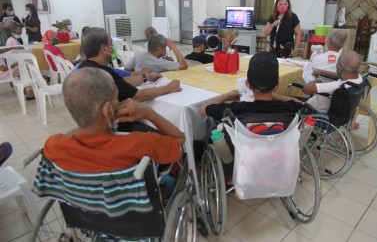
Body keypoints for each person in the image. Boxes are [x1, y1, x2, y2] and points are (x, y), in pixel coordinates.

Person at [43, 67, 184, 174]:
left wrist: (90, 121)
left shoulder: (54, 146)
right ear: (107, 109)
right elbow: (179, 139)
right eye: (117, 98)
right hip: (137, 208)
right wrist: (149, 113)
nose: (120, 101)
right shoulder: (139, 144)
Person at [77, 28, 180, 122]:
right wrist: (167, 88)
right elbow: (138, 96)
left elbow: (121, 82)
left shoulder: (83, 67)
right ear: (104, 49)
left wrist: (145, 77)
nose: (113, 48)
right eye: (111, 44)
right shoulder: (103, 73)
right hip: (115, 125)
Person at [200, 51, 301, 121]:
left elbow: (203, 109)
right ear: (277, 86)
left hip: (245, 151)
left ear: (247, 84)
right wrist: (273, 95)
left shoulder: (235, 109)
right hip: (280, 150)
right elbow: (302, 104)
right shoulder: (288, 107)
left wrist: (228, 95)